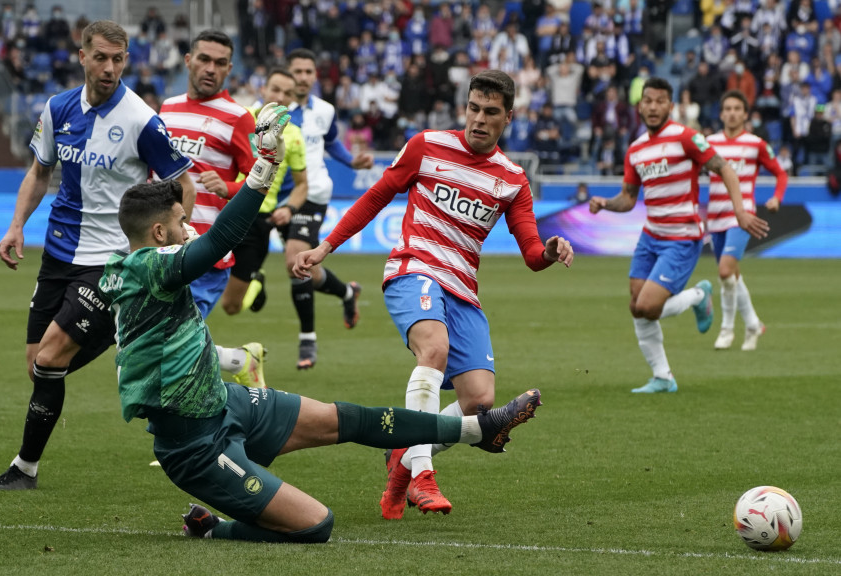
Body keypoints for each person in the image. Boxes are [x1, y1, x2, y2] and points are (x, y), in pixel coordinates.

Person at [99, 104, 543, 542]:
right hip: (194, 444)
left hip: (225, 402)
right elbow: (218, 240)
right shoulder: (149, 268)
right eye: (181, 222)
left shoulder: (137, 266)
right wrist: (265, 165)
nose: (189, 227)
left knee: (345, 418)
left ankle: (479, 429)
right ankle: (214, 529)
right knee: (316, 524)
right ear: (159, 235)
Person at [293, 70, 574, 519]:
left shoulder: (512, 180)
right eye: (474, 108)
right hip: (414, 269)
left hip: (461, 288)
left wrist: (551, 250)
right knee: (434, 350)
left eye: (491, 112)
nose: (479, 119)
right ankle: (422, 474)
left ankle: (402, 457)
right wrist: (326, 247)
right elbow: (376, 197)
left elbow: (530, 251)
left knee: (478, 401)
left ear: (509, 117)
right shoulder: (426, 145)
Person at [0, 20, 196, 491]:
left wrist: (177, 235)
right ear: (81, 56)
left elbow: (183, 183)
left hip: (111, 259)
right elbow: (40, 172)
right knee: (39, 364)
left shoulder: (141, 119)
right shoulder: (57, 109)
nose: (110, 68)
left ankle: (24, 469)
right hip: (58, 254)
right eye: (101, 57)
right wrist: (16, 225)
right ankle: (113, 334)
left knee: (53, 356)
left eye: (119, 59)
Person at [589, 77, 770, 394]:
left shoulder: (686, 138)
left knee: (648, 306)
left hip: (682, 236)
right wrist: (606, 203)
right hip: (651, 235)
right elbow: (628, 198)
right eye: (649, 100)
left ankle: (699, 296)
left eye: (660, 101)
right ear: (640, 105)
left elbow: (725, 168)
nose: (654, 106)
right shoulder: (635, 150)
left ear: (670, 107)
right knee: (636, 305)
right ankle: (663, 377)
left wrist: (740, 211)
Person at [158, 29, 265, 387]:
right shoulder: (167, 108)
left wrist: (231, 186)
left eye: (220, 63)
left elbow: (260, 179)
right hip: (161, 248)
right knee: (159, 338)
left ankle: (206, 421)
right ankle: (240, 361)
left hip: (206, 250)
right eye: (204, 59)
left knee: (172, 342)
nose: (210, 68)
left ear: (229, 69)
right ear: (188, 61)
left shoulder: (239, 117)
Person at [285, 48, 375, 370]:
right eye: (297, 71)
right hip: (279, 195)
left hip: (314, 192)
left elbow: (331, 141)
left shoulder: (324, 109)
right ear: (287, 74)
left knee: (294, 256)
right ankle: (347, 292)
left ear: (314, 76)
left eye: (309, 72)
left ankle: (307, 339)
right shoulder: (273, 110)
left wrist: (352, 160)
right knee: (305, 267)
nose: (303, 78)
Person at [219, 67, 308, 320]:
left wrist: (289, 208)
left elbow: (302, 185)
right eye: (275, 89)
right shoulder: (240, 118)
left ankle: (256, 280)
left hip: (257, 221)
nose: (280, 97)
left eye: (287, 93)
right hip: (223, 210)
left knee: (230, 306)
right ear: (262, 90)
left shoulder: (294, 136)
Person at [706, 90, 786, 351]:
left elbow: (780, 173)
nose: (731, 113)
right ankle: (753, 324)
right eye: (727, 108)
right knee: (732, 277)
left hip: (742, 215)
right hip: (715, 216)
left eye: (736, 109)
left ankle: (727, 329)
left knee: (725, 271)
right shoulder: (709, 143)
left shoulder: (756, 144)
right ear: (721, 114)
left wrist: (776, 198)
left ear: (744, 113)